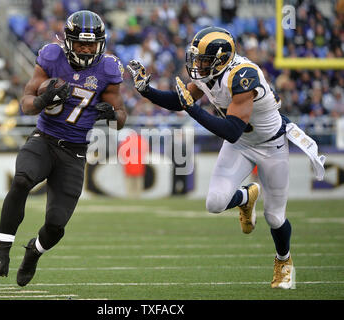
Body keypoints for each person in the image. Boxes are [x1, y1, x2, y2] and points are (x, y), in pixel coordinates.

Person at [127, 26, 325, 289]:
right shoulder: (209, 73)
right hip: (242, 144)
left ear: (221, 59)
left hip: (270, 145)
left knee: (275, 217)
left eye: (204, 59)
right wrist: (146, 90)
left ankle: (283, 260)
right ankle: (246, 196)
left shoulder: (243, 76)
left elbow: (230, 130)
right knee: (215, 203)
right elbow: (181, 100)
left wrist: (192, 109)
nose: (198, 64)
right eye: (197, 57)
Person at [0, 10, 127, 286]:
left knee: (56, 226)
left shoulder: (108, 69)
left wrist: (111, 114)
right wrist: (42, 99)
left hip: (75, 152)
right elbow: (25, 103)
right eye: (81, 43)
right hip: (44, 139)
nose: (85, 49)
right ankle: (0, 255)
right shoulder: (51, 56)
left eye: (91, 44)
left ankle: (33, 252)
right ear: (68, 42)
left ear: (101, 44)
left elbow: (121, 116)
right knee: (22, 180)